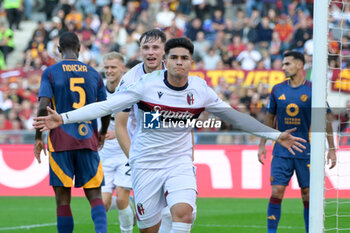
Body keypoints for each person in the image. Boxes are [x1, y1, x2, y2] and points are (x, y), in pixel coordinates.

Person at [33, 37, 306, 233]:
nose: (179, 62)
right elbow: (107, 106)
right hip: (145, 165)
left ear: (191, 62)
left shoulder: (200, 90)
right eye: (174, 57)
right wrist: (63, 117)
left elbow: (234, 116)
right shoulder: (145, 86)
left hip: (179, 162)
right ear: (166, 61)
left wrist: (274, 135)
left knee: (183, 212)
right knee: (149, 227)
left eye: (184, 58)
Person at [34, 31, 109, 233]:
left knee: (62, 200)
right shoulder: (94, 73)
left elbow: (43, 105)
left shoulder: (50, 72)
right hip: (88, 140)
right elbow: (105, 108)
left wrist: (38, 137)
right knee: (95, 196)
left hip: (60, 142)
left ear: (59, 50)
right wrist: (102, 134)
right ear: (79, 48)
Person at [257, 51, 337, 233]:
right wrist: (262, 144)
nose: (283, 67)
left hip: (306, 151)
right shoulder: (278, 90)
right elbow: (269, 119)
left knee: (307, 195)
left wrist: (331, 149)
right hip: (281, 151)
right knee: (276, 191)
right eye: (283, 64)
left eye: (287, 64)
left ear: (299, 65)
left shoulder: (313, 90)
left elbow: (325, 121)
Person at [114, 29, 174, 233]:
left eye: (155, 47)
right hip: (143, 153)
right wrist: (134, 158)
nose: (150, 52)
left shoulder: (176, 72)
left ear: (164, 50)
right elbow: (120, 124)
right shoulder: (130, 80)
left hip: (173, 152)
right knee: (150, 220)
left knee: (179, 211)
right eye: (146, 47)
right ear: (140, 50)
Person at [99, 51, 135, 233]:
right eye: (106, 67)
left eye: (113, 67)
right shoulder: (98, 91)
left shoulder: (130, 90)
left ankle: (126, 230)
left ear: (122, 68)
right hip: (103, 155)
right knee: (103, 204)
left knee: (121, 199)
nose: (109, 71)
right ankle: (132, 208)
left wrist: (119, 133)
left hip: (124, 153)